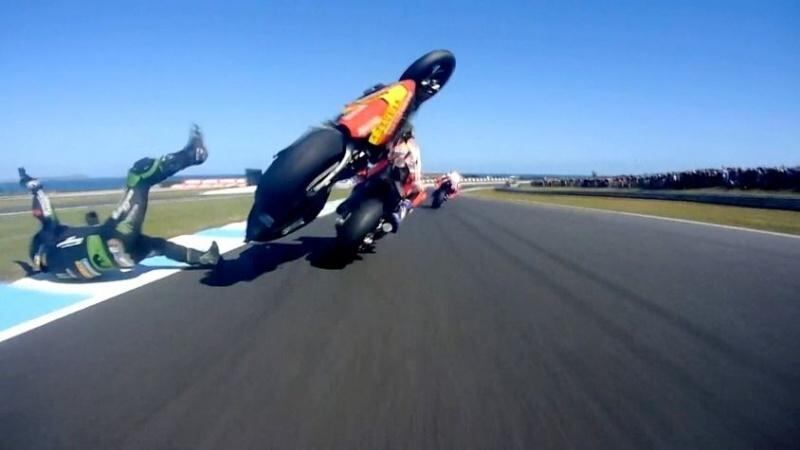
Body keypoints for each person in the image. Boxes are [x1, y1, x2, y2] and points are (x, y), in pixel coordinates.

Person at [20, 126, 220, 281]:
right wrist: (33, 186)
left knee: (157, 245)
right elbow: (45, 211)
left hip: (109, 257)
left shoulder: (55, 268)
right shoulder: (50, 237)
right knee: (138, 176)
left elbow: (76, 248)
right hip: (109, 241)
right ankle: (193, 154)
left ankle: (205, 258)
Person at [386, 126, 426, 231]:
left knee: (419, 192)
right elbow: (417, 162)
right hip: (395, 173)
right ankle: (403, 207)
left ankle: (402, 207)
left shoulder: (400, 142)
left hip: (400, 174)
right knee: (420, 192)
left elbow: (416, 162)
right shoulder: (397, 142)